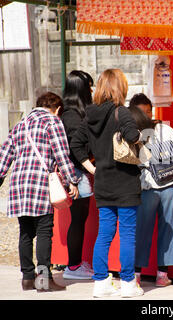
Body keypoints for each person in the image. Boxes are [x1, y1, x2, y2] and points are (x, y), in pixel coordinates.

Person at [0, 92, 79, 292]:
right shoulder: (52, 122)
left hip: (19, 183)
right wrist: (72, 180)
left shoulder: (20, 124)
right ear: (58, 109)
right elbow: (62, 154)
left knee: (25, 231)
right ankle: (44, 279)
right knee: (44, 231)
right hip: (40, 182)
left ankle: (27, 278)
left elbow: (5, 152)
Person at [70, 69, 144, 298]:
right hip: (125, 182)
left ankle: (101, 282)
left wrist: (92, 168)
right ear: (119, 88)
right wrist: (141, 137)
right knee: (128, 234)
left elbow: (76, 144)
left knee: (105, 233)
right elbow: (132, 136)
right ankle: (129, 283)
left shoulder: (89, 115)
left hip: (102, 182)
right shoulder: (121, 112)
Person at [128, 96, 173, 287]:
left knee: (141, 231)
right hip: (170, 183)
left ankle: (136, 275)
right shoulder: (166, 129)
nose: (146, 115)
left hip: (146, 187)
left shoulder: (132, 134)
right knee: (169, 230)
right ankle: (162, 274)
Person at [61, 70, 96, 280]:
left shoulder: (73, 112)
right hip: (76, 172)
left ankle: (75, 264)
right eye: (89, 86)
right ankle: (73, 266)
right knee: (78, 219)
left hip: (80, 171)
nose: (91, 90)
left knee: (80, 218)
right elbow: (77, 147)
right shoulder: (71, 115)